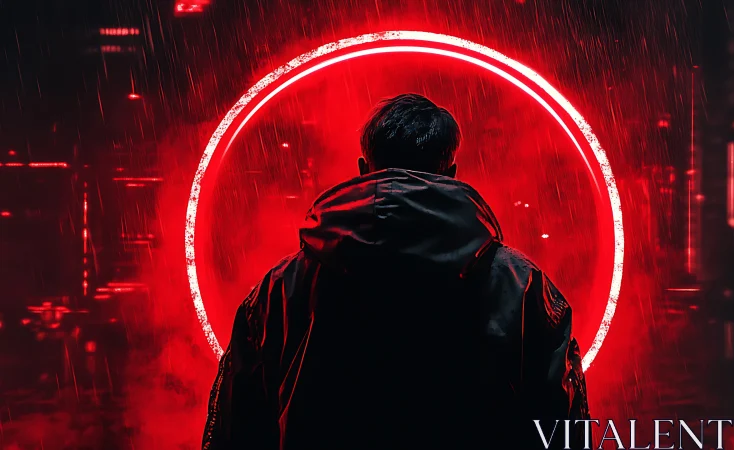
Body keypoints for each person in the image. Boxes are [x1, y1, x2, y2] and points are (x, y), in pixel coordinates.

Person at [202, 93, 590, 450]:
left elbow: (236, 430)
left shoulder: (283, 287)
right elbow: (563, 427)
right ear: (451, 172)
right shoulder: (521, 286)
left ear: (362, 170)